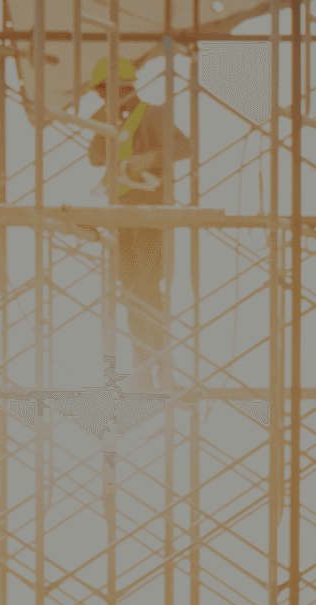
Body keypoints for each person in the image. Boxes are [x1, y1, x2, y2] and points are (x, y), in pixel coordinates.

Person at [82, 56, 191, 385]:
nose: (102, 99)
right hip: (121, 218)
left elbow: (184, 148)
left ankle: (160, 361)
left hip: (150, 214)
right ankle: (144, 364)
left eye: (104, 92)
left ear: (121, 88)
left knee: (146, 287)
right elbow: (93, 157)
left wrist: (151, 157)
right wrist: (103, 122)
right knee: (129, 291)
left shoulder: (154, 115)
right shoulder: (110, 123)